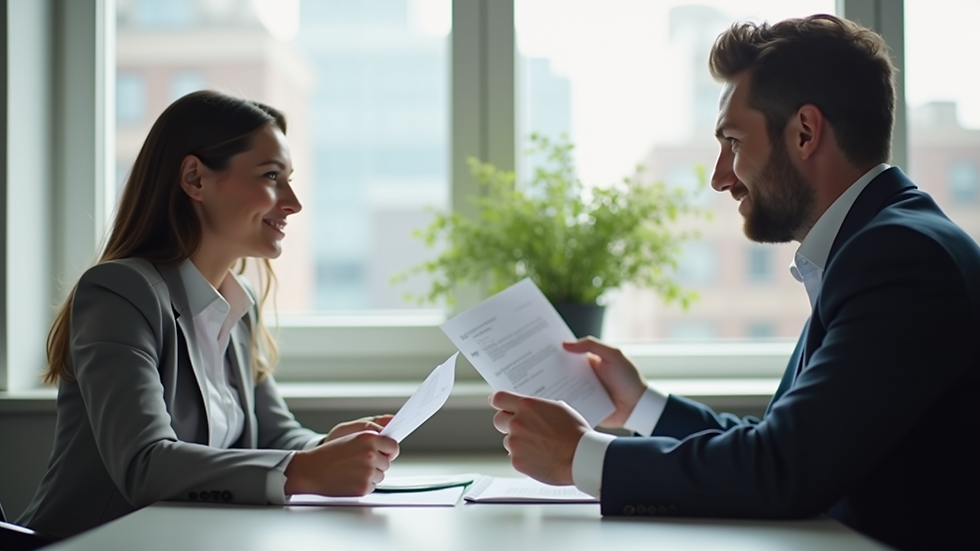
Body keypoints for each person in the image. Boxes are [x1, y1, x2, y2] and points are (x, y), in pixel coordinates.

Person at [488, 14, 978, 551]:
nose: (720, 176)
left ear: (805, 132)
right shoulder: (878, 244)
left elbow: (784, 468)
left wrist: (579, 456)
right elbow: (783, 445)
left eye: (733, 142)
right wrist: (641, 405)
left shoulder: (900, 258)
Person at [18, 91, 399, 539]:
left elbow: (275, 439)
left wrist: (327, 447)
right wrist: (306, 469)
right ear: (195, 179)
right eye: (272, 176)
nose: (293, 202)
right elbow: (145, 464)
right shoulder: (120, 293)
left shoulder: (240, 305)